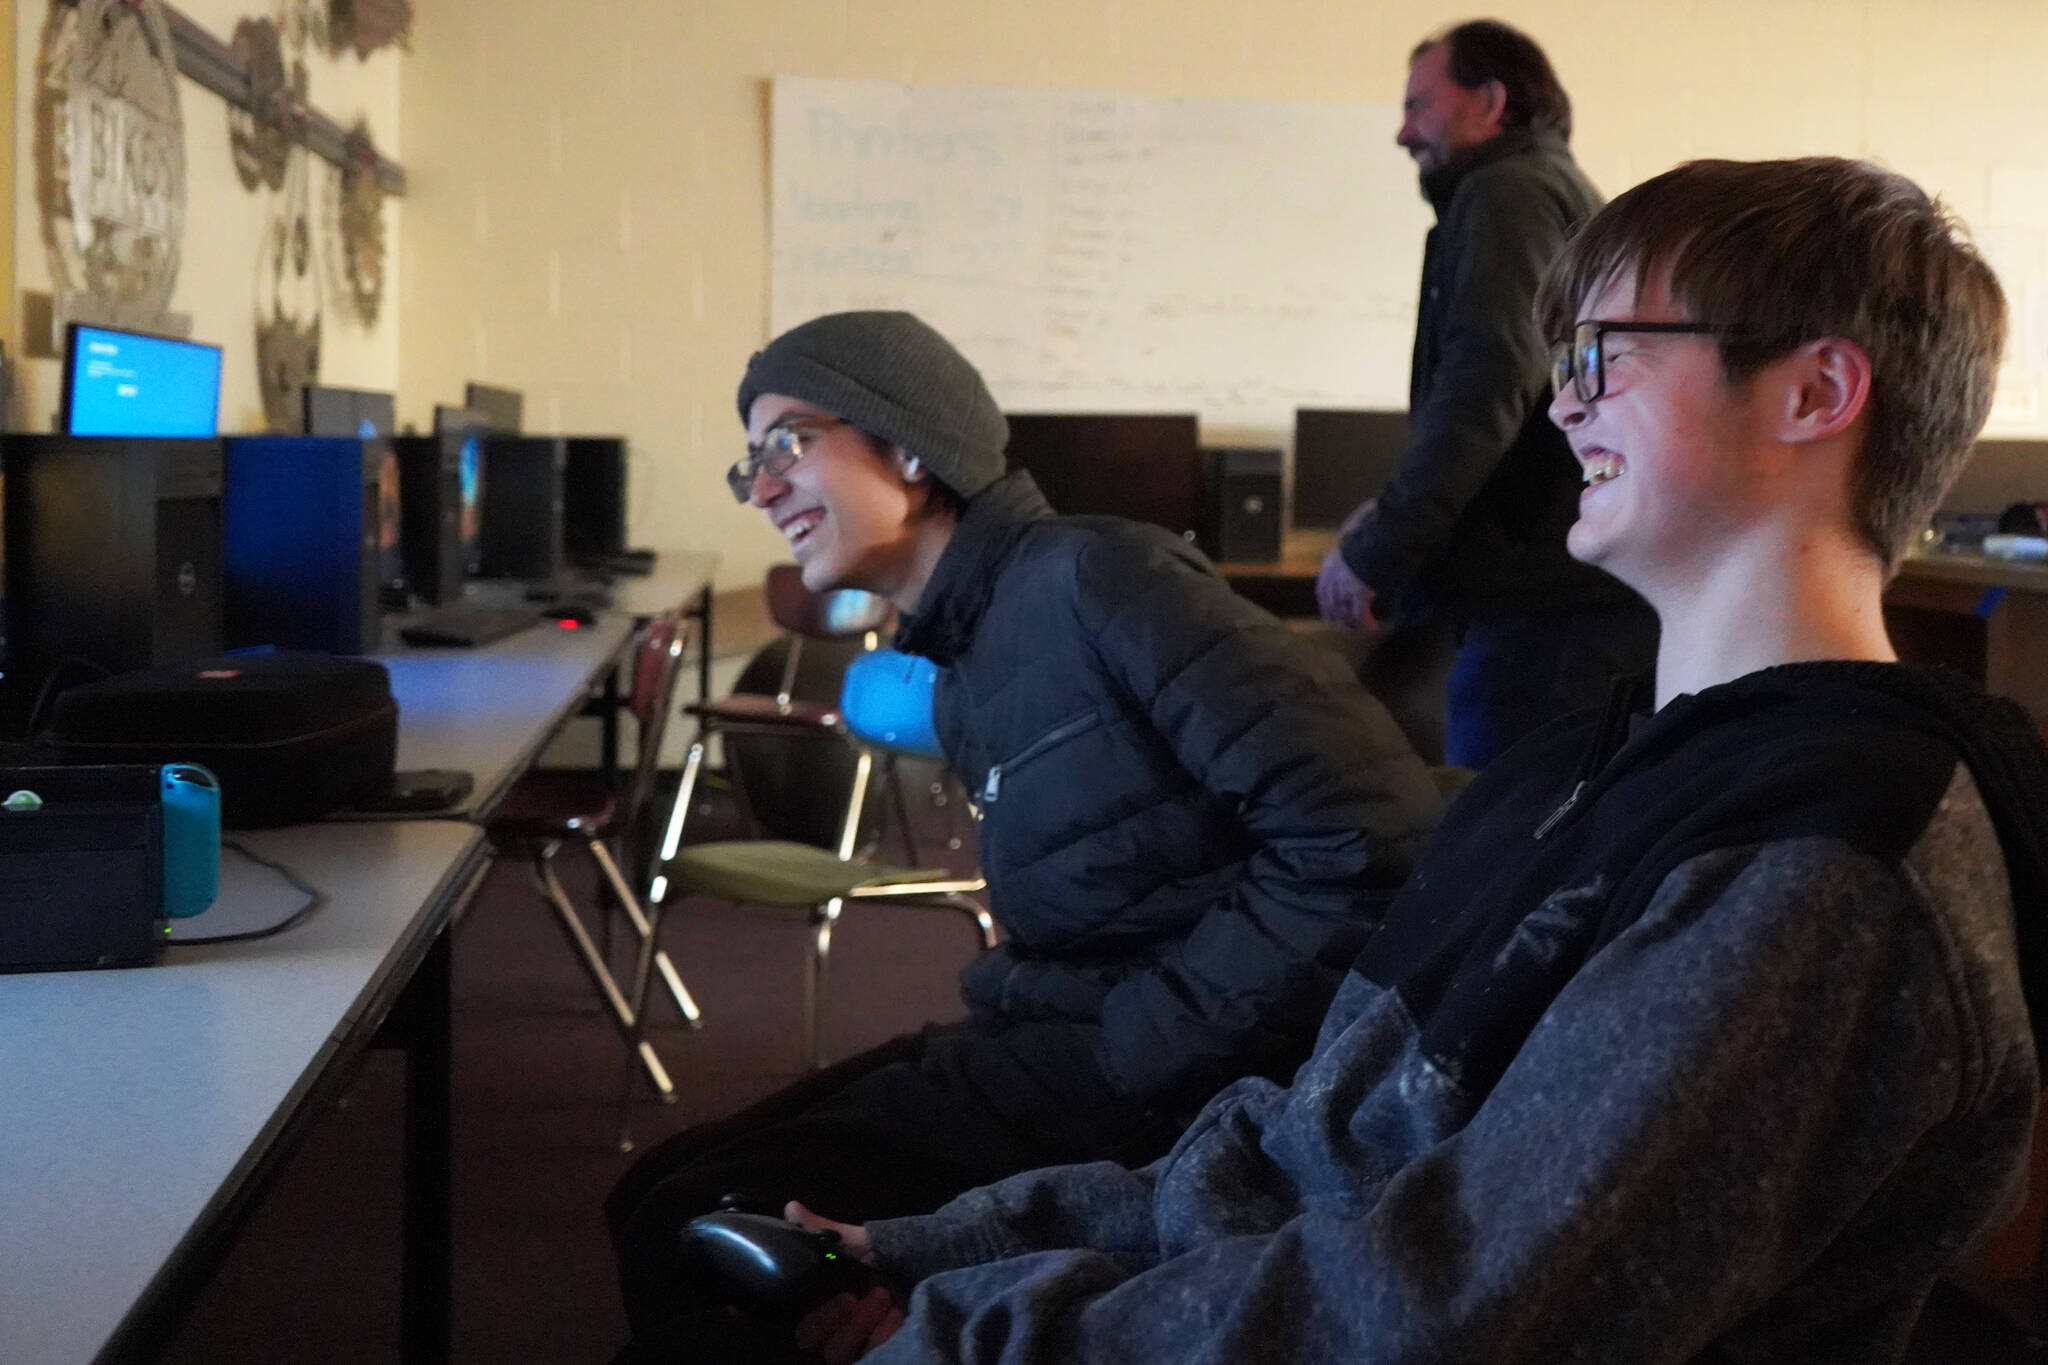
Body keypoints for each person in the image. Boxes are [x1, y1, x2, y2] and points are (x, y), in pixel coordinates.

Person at [781, 158, 2048, 1364]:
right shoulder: (1586, 771)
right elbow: (1303, 1153)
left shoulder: (1825, 859)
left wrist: (973, 1332)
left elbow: (1454, 1313)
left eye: (1604, 355)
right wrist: (938, 1254)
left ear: (1815, 393)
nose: (1560, 403)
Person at [606, 310, 1445, 1349]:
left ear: (910, 446)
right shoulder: (968, 655)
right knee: (658, 1191)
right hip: (1050, 1032)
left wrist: (1143, 1045)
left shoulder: (1099, 580)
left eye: (786, 444)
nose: (763, 487)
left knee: (689, 1227)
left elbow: (1368, 843)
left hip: (1150, 1069)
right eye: (750, 465)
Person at [1317, 19, 1657, 769]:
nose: (1403, 133)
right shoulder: (1551, 190)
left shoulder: (1506, 193)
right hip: (1566, 594)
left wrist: (1378, 551)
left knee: (1504, 850)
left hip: (1537, 608)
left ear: (1491, 101)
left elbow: (1486, 383)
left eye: (1419, 106)